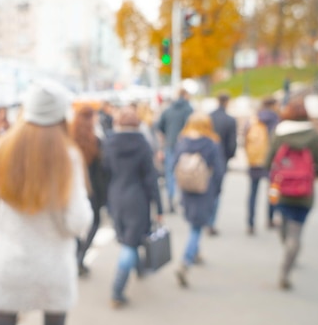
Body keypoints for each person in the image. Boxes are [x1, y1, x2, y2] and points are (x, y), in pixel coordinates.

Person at [0, 79, 92, 325]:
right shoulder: (68, 155)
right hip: (53, 267)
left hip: (9, 264)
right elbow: (77, 221)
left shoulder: (0, 149)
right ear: (62, 115)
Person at [103, 107, 163, 307]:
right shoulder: (142, 145)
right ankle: (117, 290)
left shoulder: (109, 144)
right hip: (137, 198)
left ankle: (140, 269)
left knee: (128, 237)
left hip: (116, 196)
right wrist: (159, 207)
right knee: (130, 244)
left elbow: (105, 173)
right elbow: (150, 178)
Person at [265, 99, 318, 290]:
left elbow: (268, 162)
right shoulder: (314, 135)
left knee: (283, 221)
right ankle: (287, 266)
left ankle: (287, 247)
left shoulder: (279, 132)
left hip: (281, 189)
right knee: (296, 231)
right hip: (304, 193)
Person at [173, 113, 225, 288]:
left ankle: (196, 252)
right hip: (204, 189)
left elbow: (174, 165)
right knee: (197, 227)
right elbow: (218, 171)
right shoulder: (211, 143)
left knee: (194, 221)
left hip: (187, 189)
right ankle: (186, 261)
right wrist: (216, 190)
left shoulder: (182, 141)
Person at [69, 106, 108, 277]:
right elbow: (102, 170)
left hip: (72, 189)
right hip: (92, 189)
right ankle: (81, 255)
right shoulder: (96, 141)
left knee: (74, 224)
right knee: (95, 221)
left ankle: (78, 250)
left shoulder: (69, 140)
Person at [245, 97, 280, 234]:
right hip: (271, 162)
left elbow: (245, 139)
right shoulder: (276, 120)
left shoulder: (254, 119)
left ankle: (250, 223)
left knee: (253, 193)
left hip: (254, 160)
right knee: (272, 190)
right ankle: (270, 218)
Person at [156, 88, 193, 212]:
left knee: (170, 173)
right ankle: (183, 199)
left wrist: (167, 136)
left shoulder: (168, 110)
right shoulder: (189, 109)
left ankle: (171, 197)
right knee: (185, 172)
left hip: (170, 145)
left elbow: (159, 126)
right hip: (185, 146)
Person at [208, 92, 237, 236]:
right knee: (217, 191)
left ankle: (207, 219)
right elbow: (232, 144)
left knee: (207, 188)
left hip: (207, 158)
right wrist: (229, 156)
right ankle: (211, 222)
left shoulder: (209, 116)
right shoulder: (230, 120)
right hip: (222, 158)